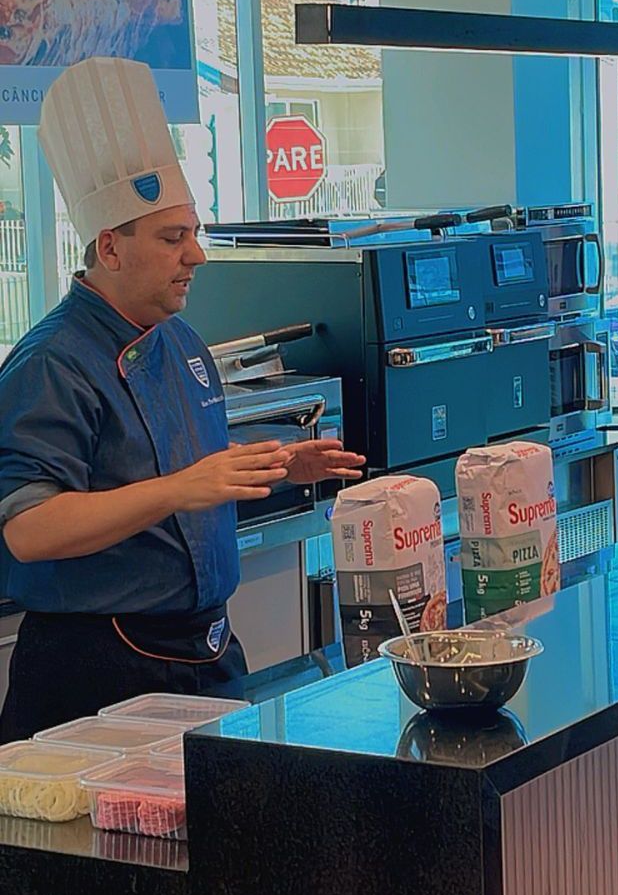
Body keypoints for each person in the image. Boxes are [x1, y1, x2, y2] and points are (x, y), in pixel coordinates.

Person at [0, 57, 365, 743]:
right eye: (174, 238)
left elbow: (176, 466)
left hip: (206, 656)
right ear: (110, 247)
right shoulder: (53, 363)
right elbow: (30, 527)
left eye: (193, 233)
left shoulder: (182, 343)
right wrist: (180, 489)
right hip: (100, 672)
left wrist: (280, 467)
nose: (196, 255)